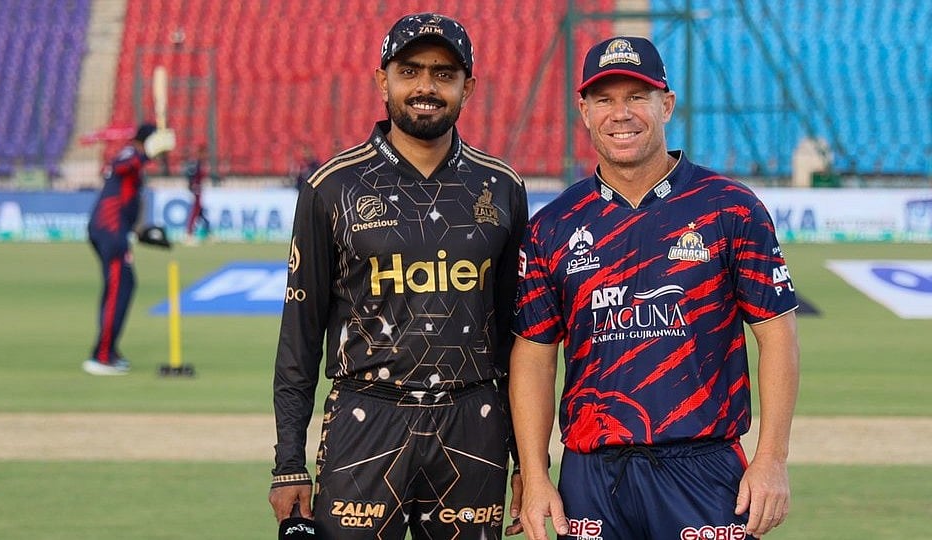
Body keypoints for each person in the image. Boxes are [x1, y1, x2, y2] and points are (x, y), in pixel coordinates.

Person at [509, 36, 800, 540]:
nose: (621, 114)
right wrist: (536, 476)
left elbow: (777, 335)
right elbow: (534, 355)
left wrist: (771, 459)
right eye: (604, 99)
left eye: (636, 97)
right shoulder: (553, 225)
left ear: (666, 104)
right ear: (583, 111)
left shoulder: (730, 207)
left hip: (703, 467)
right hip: (591, 475)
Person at [268, 12, 528, 539]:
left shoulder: (501, 187)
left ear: (467, 87)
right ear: (381, 80)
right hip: (365, 419)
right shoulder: (331, 186)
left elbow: (516, 341)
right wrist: (289, 460)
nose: (426, 87)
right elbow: (300, 335)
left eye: (443, 73)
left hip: (473, 421)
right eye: (410, 71)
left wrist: (528, 461)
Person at [83, 123, 175, 375]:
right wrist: (147, 152)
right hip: (109, 231)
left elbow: (129, 209)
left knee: (125, 285)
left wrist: (146, 235)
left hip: (116, 230)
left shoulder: (138, 170)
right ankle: (101, 356)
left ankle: (109, 350)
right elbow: (123, 165)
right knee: (117, 289)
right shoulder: (129, 154)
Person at [184, 143, 210, 244]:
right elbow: (191, 176)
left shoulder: (199, 163)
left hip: (199, 190)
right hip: (197, 191)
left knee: (200, 212)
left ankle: (207, 232)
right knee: (196, 212)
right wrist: (192, 186)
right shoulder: (196, 163)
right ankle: (189, 234)